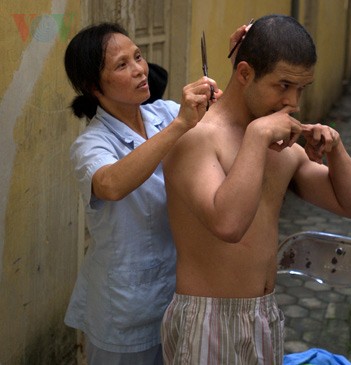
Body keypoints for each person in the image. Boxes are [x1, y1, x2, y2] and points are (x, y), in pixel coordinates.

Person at [161, 14, 351, 364]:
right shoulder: (198, 140)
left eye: (301, 88)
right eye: (283, 85)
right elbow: (228, 225)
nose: (293, 103)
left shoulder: (281, 146)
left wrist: (336, 149)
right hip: (208, 320)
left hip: (263, 315)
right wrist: (256, 138)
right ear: (245, 74)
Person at [63, 22, 223, 364]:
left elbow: (224, 132)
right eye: (122, 65)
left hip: (177, 293)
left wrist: (246, 57)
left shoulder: (162, 113)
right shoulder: (91, 144)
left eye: (138, 56)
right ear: (94, 86)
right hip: (124, 310)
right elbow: (111, 184)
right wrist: (181, 125)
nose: (139, 70)